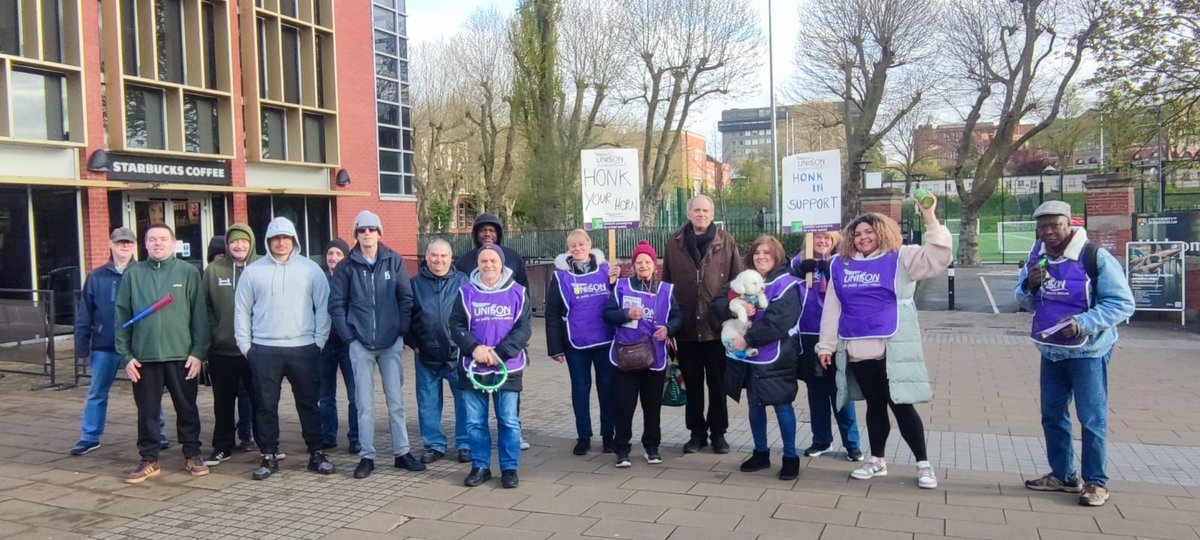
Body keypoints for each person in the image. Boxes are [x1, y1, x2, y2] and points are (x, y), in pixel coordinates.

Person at [817, 201, 950, 490]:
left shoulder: (901, 257)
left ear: (882, 233)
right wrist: (825, 346)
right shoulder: (839, 264)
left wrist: (929, 217)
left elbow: (938, 257)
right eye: (857, 233)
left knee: (902, 405)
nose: (862, 237)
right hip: (857, 347)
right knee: (875, 406)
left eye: (869, 231)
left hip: (893, 346)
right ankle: (877, 460)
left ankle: (924, 465)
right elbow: (832, 307)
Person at [1015, 201, 1134, 507]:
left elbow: (1122, 303)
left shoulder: (1095, 257)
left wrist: (1083, 324)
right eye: (1042, 227)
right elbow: (1023, 300)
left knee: (1091, 418)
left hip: (1088, 353)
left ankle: (1096, 482)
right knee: (1052, 415)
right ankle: (1064, 475)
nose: (1048, 232)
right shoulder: (1036, 256)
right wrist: (1029, 285)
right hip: (1051, 351)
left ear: (1068, 224)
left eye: (1055, 225)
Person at [235, 217, 333, 480]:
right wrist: (246, 347)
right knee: (266, 405)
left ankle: (316, 452)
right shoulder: (253, 271)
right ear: (268, 241)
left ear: (294, 240)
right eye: (275, 238)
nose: (281, 242)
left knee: (309, 403)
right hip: (264, 350)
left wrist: (318, 342)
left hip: (303, 347)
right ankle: (268, 454)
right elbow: (242, 311)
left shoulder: (311, 270)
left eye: (286, 237)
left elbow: (323, 308)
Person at [115, 223, 210, 483]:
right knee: (147, 411)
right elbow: (121, 316)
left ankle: (192, 454)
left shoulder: (188, 272)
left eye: (163, 239)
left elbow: (200, 317)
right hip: (144, 358)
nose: (157, 243)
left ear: (173, 243)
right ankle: (149, 458)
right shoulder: (133, 275)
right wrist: (127, 356)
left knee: (187, 408)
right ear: (144, 245)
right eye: (152, 239)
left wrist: (198, 352)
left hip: (182, 356)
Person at [329, 211, 420, 479]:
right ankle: (367, 456)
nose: (367, 233)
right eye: (362, 230)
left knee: (396, 402)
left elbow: (406, 298)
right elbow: (336, 305)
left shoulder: (394, 261)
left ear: (379, 233)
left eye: (372, 229)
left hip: (390, 343)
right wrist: (349, 337)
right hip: (360, 343)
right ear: (356, 234)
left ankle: (402, 452)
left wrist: (401, 330)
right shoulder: (346, 267)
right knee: (364, 404)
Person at [711, 236, 803, 480]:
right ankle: (760, 452)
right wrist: (734, 305)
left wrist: (748, 340)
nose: (761, 257)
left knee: (782, 405)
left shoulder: (787, 284)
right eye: (756, 253)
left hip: (777, 356)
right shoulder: (743, 280)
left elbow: (779, 322)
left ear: (777, 255)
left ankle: (791, 457)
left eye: (767, 253)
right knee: (755, 405)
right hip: (749, 358)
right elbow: (717, 302)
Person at [71, 228, 168, 456]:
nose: (124, 247)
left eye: (128, 243)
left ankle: (157, 433)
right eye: (120, 243)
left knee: (149, 393)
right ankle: (89, 436)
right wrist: (82, 345)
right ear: (111, 245)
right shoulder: (96, 277)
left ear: (134, 246)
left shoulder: (145, 273)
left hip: (138, 346)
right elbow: (85, 313)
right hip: (105, 345)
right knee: (97, 392)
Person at [662, 195, 743, 453]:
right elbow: (666, 285)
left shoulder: (726, 241)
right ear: (688, 214)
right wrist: (669, 323)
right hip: (686, 328)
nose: (701, 214)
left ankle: (718, 432)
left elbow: (737, 281)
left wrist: (732, 317)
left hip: (716, 327)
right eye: (696, 210)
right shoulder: (675, 243)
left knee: (718, 385)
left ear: (712, 213)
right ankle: (696, 433)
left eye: (705, 210)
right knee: (693, 385)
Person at [450, 245, 532, 489]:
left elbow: (524, 329)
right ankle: (480, 466)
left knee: (508, 420)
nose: (488, 265)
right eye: (483, 261)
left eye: (493, 260)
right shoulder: (465, 292)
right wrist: (474, 348)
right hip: (474, 367)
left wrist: (500, 353)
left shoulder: (518, 292)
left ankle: (509, 468)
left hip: (508, 367)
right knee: (475, 422)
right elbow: (455, 324)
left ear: (502, 263)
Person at [602, 240, 681, 468]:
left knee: (652, 406)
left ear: (654, 265)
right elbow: (607, 314)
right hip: (625, 357)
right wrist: (626, 314)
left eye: (647, 261)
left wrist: (669, 328)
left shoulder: (667, 289)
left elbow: (678, 317)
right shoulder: (621, 286)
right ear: (633, 265)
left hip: (654, 358)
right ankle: (622, 450)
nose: (644, 265)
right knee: (624, 406)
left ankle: (652, 447)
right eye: (639, 262)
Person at [546, 229, 621, 455]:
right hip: (575, 343)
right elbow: (551, 314)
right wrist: (555, 348)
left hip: (605, 340)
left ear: (589, 244)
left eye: (581, 244)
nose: (577, 249)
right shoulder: (560, 277)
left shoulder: (608, 271)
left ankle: (608, 435)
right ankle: (583, 436)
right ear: (568, 248)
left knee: (607, 389)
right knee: (580, 390)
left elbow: (620, 301)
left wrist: (618, 281)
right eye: (572, 246)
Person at [790, 231, 863, 462]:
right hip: (809, 337)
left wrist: (828, 268)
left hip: (836, 336)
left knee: (841, 392)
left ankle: (852, 444)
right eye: (818, 237)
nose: (822, 241)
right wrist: (801, 271)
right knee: (816, 393)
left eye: (827, 238)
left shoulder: (843, 263)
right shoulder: (797, 263)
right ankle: (821, 440)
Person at [201, 224, 261, 467]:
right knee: (223, 402)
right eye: (234, 241)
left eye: (244, 241)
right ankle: (222, 446)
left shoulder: (262, 267)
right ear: (227, 245)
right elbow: (205, 308)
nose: (239, 245)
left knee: (260, 400)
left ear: (251, 242)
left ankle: (267, 444)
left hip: (255, 349)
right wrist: (212, 337)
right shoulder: (214, 270)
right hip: (222, 349)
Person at [408, 239, 470, 464]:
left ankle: (465, 443)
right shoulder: (414, 284)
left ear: (451, 257)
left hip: (458, 354)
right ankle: (434, 444)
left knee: (465, 401)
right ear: (426, 256)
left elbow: (471, 316)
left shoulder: (463, 281)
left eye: (444, 256)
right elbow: (406, 316)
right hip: (425, 355)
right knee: (428, 403)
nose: (439, 260)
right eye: (434, 255)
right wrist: (414, 345)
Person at [317, 238, 360, 454]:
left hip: (347, 345)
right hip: (324, 346)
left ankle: (356, 437)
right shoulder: (319, 279)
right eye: (330, 253)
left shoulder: (350, 279)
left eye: (338, 254)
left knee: (355, 394)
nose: (333, 258)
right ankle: (328, 435)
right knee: (325, 395)